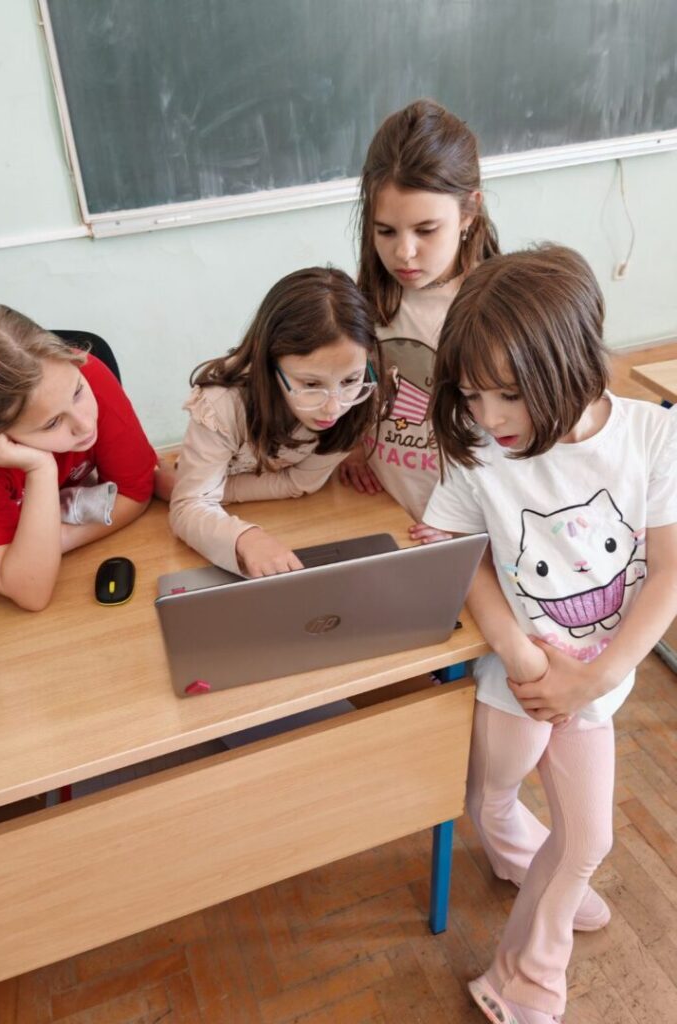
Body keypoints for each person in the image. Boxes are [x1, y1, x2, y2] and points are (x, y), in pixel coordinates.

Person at [422, 245, 677, 1024]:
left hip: (596, 682)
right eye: (471, 394)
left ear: (572, 366)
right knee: (496, 789)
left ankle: (524, 978)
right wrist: (521, 654)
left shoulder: (652, 437)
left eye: (508, 395)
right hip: (517, 677)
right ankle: (513, 846)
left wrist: (595, 679)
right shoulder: (481, 449)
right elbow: (457, 551)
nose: (489, 416)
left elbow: (670, 571)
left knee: (589, 842)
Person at [0, 304, 159, 611]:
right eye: (52, 423)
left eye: (78, 393)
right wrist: (40, 469)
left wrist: (57, 540)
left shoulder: (82, 371)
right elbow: (29, 591)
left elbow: (135, 493)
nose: (84, 424)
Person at [339, 97, 500, 532]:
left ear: (469, 211)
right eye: (385, 231)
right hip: (389, 510)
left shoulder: (498, 304)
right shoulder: (362, 295)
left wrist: (463, 524)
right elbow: (350, 380)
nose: (403, 253)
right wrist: (353, 447)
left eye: (426, 230)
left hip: (471, 522)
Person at [169, 266, 389, 577]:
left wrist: (195, 488)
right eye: (310, 384)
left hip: (282, 512)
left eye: (350, 380)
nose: (333, 407)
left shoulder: (363, 397)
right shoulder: (221, 404)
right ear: (269, 362)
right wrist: (246, 538)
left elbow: (303, 482)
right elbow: (187, 509)